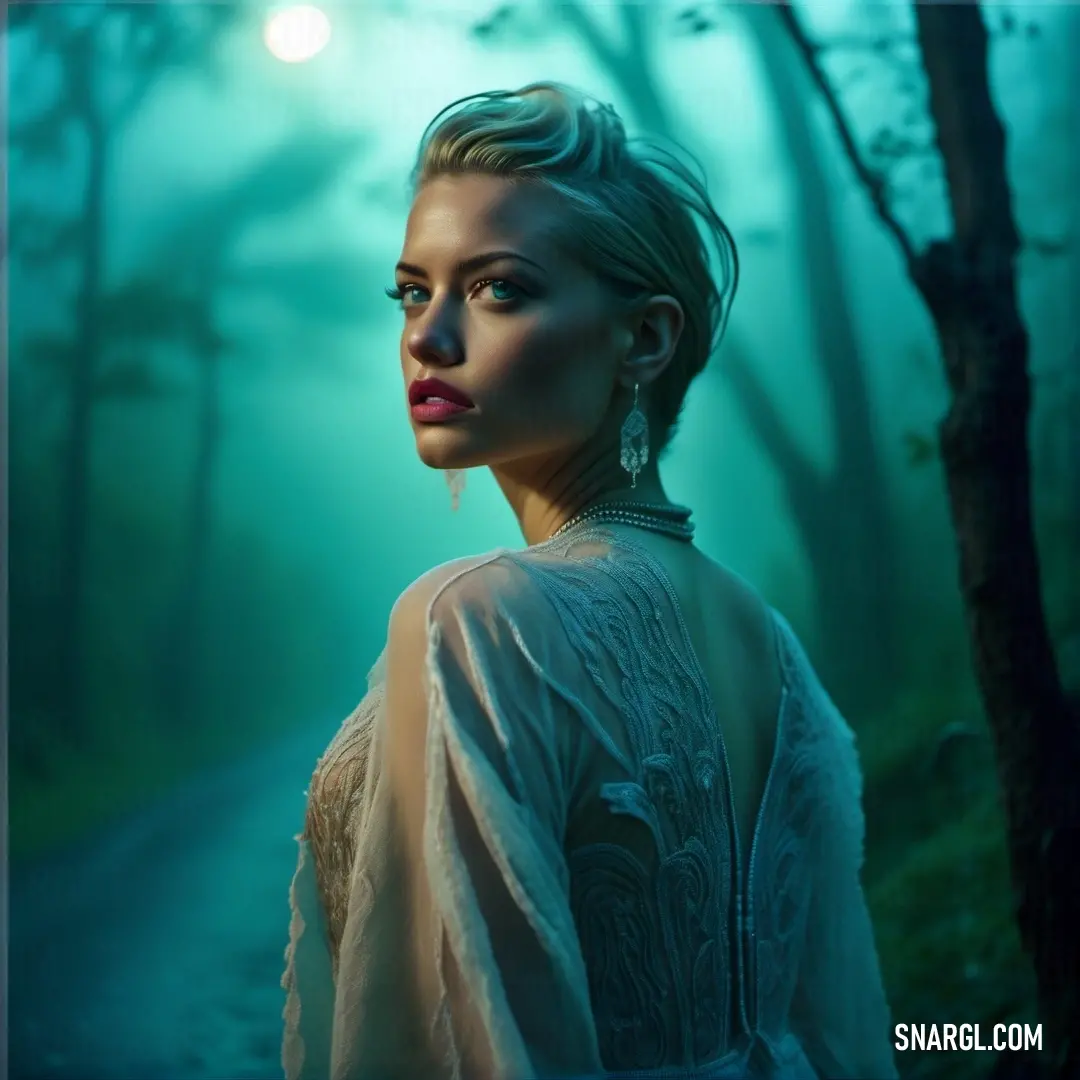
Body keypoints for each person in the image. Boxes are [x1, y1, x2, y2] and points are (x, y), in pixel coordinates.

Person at [281, 82, 898, 1080]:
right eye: (412, 291)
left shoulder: (481, 620)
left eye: (498, 290)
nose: (426, 340)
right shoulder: (774, 646)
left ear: (644, 339)